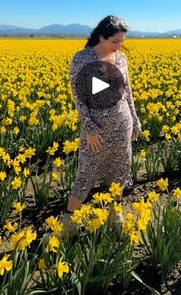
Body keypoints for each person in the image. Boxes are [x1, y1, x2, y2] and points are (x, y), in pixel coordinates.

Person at [62, 15, 141, 235]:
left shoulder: (121, 58)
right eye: (115, 41)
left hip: (122, 124)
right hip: (96, 130)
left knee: (120, 172)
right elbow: (79, 97)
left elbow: (127, 91)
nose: (119, 46)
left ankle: (115, 218)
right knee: (85, 174)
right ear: (101, 36)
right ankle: (69, 228)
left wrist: (134, 120)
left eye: (122, 41)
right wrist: (90, 129)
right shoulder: (83, 59)